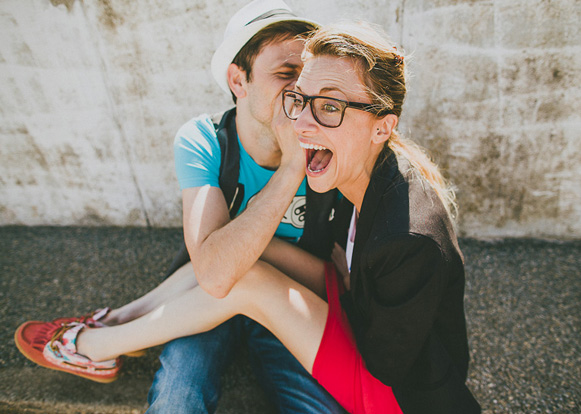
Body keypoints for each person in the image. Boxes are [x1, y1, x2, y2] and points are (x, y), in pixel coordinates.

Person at [15, 20, 482, 414]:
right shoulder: (361, 167)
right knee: (243, 262)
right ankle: (113, 324)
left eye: (330, 106)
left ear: (384, 124)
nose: (301, 120)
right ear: (240, 81)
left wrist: (299, 311)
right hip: (353, 303)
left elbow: (386, 360)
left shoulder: (407, 233)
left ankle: (91, 348)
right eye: (301, 95)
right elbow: (219, 267)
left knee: (251, 284)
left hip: (391, 390)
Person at [14, 1, 344, 413]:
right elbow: (215, 275)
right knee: (176, 397)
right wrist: (291, 167)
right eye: (285, 74)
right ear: (237, 80)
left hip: (290, 299)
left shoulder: (332, 144)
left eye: (309, 77)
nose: (302, 91)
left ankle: (104, 331)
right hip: (203, 296)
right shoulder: (205, 139)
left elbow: (339, 278)